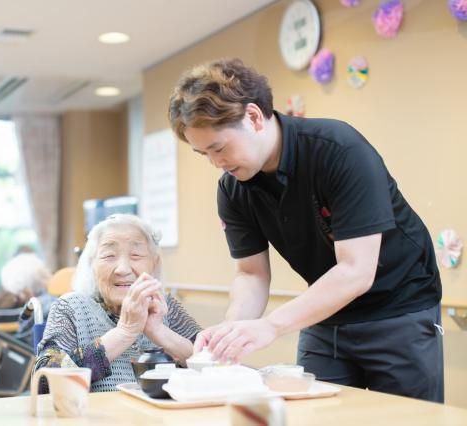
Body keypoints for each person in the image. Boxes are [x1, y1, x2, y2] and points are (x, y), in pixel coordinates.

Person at [167, 58, 443, 402]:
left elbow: (356, 271)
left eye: (218, 148)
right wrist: (232, 330)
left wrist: (270, 326)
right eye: (203, 154)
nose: (216, 163)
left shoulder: (338, 149)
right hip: (326, 313)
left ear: (253, 117)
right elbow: (251, 274)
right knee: (310, 411)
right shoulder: (233, 188)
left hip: (399, 308)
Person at [35, 214, 202, 392]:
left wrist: (159, 331)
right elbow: (44, 382)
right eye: (109, 256)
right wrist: (124, 332)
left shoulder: (166, 307)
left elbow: (215, 364)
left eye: (136, 255)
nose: (122, 269)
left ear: (154, 263)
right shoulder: (70, 308)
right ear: (92, 265)